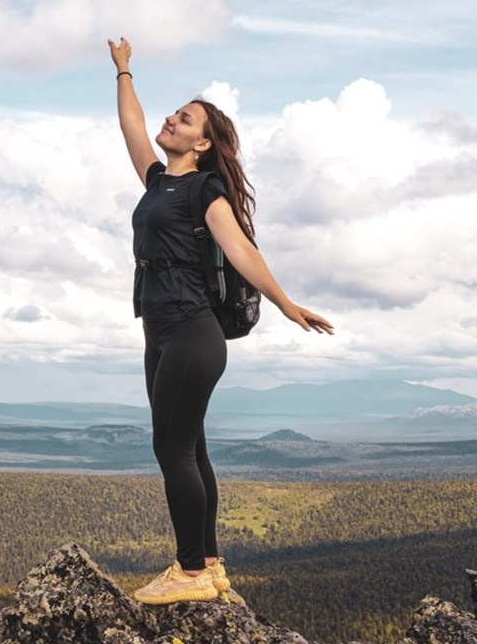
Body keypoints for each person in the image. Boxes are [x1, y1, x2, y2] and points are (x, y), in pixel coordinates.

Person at [109, 36, 334, 605]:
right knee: (191, 447)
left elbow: (239, 250)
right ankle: (208, 565)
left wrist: (285, 303)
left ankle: (189, 572)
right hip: (161, 333)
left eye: (184, 119)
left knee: (172, 449)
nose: (171, 120)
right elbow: (133, 129)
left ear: (203, 143)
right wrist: (124, 70)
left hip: (192, 333)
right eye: (174, 114)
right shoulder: (158, 181)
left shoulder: (204, 189)